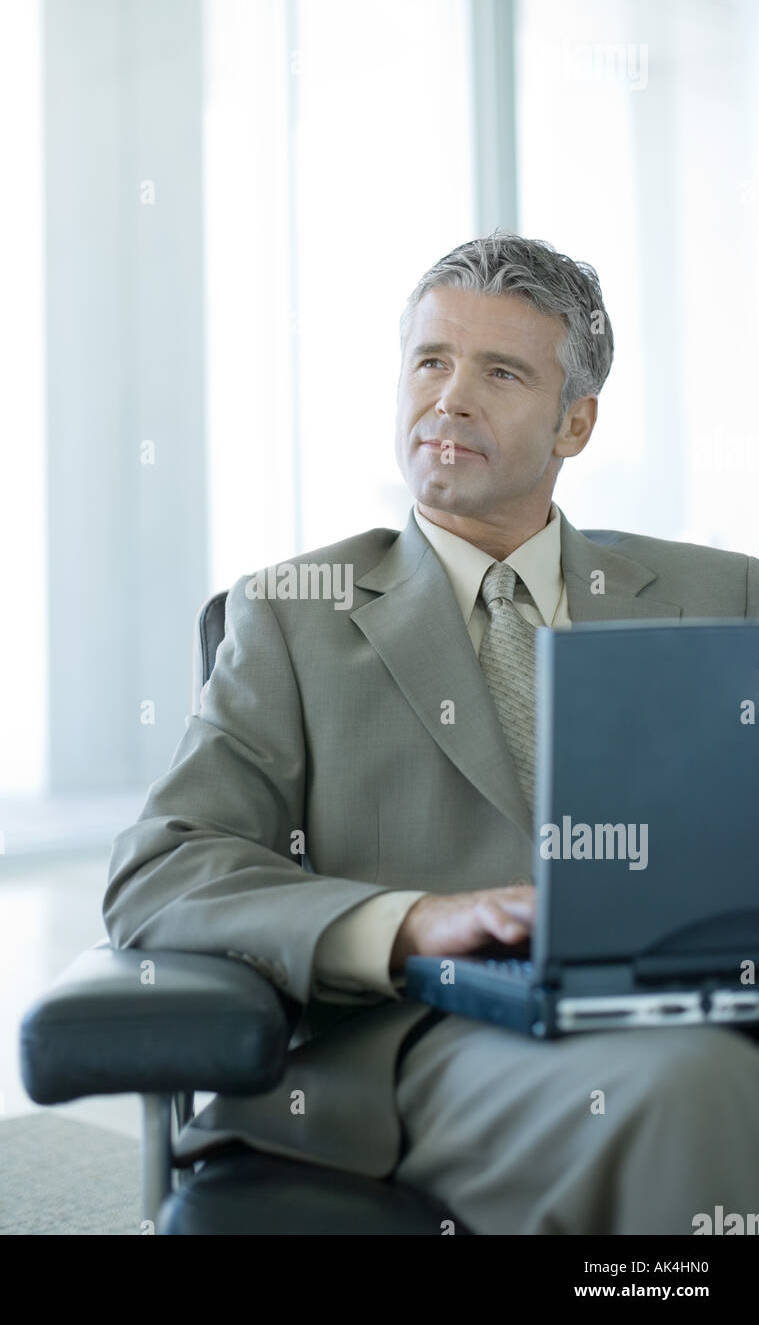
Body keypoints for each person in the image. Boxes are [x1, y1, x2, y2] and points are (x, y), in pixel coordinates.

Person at [102, 231, 759, 1234]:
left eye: (498, 371)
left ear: (573, 423)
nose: (448, 396)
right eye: (429, 361)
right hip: (427, 1039)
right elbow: (161, 868)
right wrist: (407, 924)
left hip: (697, 996)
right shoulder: (292, 614)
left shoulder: (724, 594)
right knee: (694, 1087)